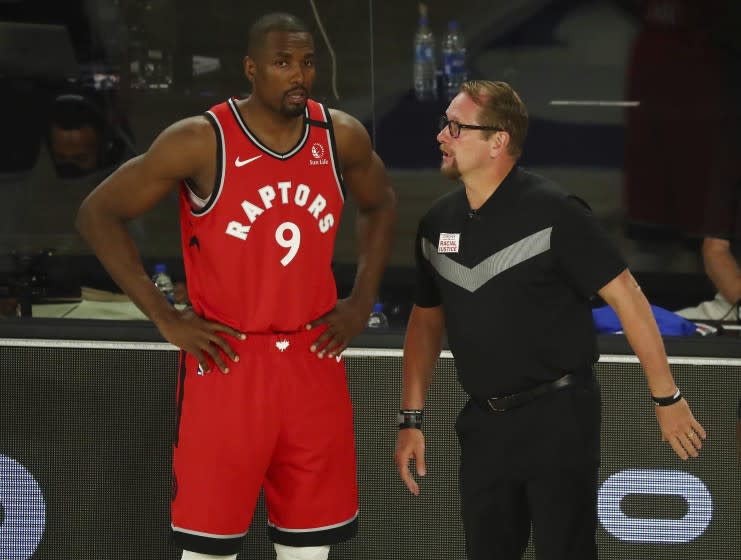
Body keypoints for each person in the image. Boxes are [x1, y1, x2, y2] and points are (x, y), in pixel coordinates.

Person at [77, 12, 395, 560]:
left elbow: (381, 204)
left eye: (307, 62)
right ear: (251, 69)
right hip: (229, 362)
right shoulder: (202, 140)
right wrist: (166, 316)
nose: (298, 73)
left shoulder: (339, 135)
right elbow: (98, 213)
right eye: (282, 62)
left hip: (311, 359)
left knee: (309, 550)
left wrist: (361, 300)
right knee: (208, 551)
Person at [393, 80, 705, 560]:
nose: (441, 136)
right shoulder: (437, 223)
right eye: (444, 124)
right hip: (483, 423)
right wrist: (410, 418)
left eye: (456, 126)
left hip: (559, 419)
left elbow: (628, 297)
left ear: (498, 140)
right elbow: (425, 321)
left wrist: (667, 396)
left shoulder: (556, 212)